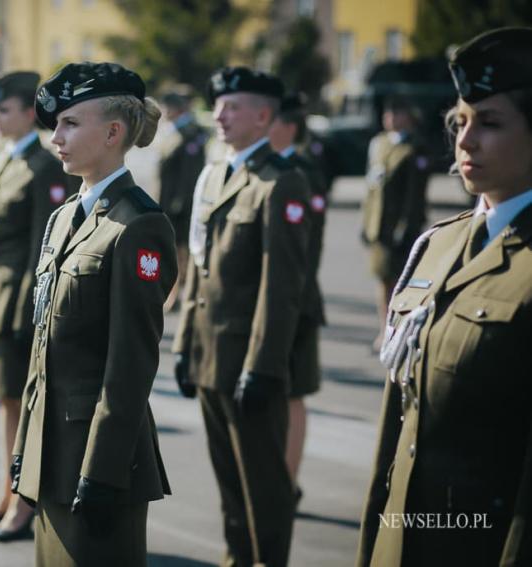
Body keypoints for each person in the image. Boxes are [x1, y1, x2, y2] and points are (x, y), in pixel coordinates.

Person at [358, 27, 532, 566]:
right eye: (461, 121)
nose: (466, 139)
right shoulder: (437, 245)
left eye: (491, 123)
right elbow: (396, 431)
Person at [11, 62, 177, 567]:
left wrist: (102, 472)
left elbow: (130, 364)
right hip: (51, 454)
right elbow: (44, 352)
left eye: (70, 124)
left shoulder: (138, 226)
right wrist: (24, 450)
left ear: (113, 132)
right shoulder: (65, 217)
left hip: (98, 462)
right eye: (56, 124)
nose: (55, 137)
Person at [172, 67, 311, 567]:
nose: (220, 116)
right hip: (210, 354)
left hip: (250, 362)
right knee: (228, 479)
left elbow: (282, 289)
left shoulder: (281, 183)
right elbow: (197, 266)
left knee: (263, 487)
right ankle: (237, 557)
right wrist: (184, 345)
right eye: (218, 106)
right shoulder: (213, 175)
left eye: (233, 107)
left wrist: (264, 365)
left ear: (264, 115)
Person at [0, 70, 70, 541]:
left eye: (3, 110)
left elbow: (39, 248)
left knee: (21, 406)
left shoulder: (44, 166)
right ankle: (7, 493)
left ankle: (24, 502)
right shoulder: (5, 157)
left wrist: (33, 312)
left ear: (30, 113)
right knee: (6, 404)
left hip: (17, 303)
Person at [268, 92, 329, 498]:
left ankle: (286, 483)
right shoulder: (262, 168)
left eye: (268, 119)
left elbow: (309, 248)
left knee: (292, 395)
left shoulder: (304, 172)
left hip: (297, 303)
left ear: (288, 126)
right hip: (262, 304)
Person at [361, 95, 430, 351]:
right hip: (379, 225)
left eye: (396, 113)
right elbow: (371, 187)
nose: (389, 118)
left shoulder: (415, 148)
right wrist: (366, 221)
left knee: (403, 283)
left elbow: (415, 194)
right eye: (387, 113)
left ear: (408, 117)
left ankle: (401, 333)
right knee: (382, 280)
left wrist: (407, 228)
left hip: (402, 228)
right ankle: (384, 330)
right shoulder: (379, 143)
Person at [156, 84, 209, 310]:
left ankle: (179, 294)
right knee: (172, 250)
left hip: (181, 205)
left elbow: (190, 174)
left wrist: (180, 203)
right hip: (168, 201)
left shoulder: (191, 135)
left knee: (181, 251)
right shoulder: (174, 132)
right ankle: (175, 292)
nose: (166, 111)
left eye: (170, 107)